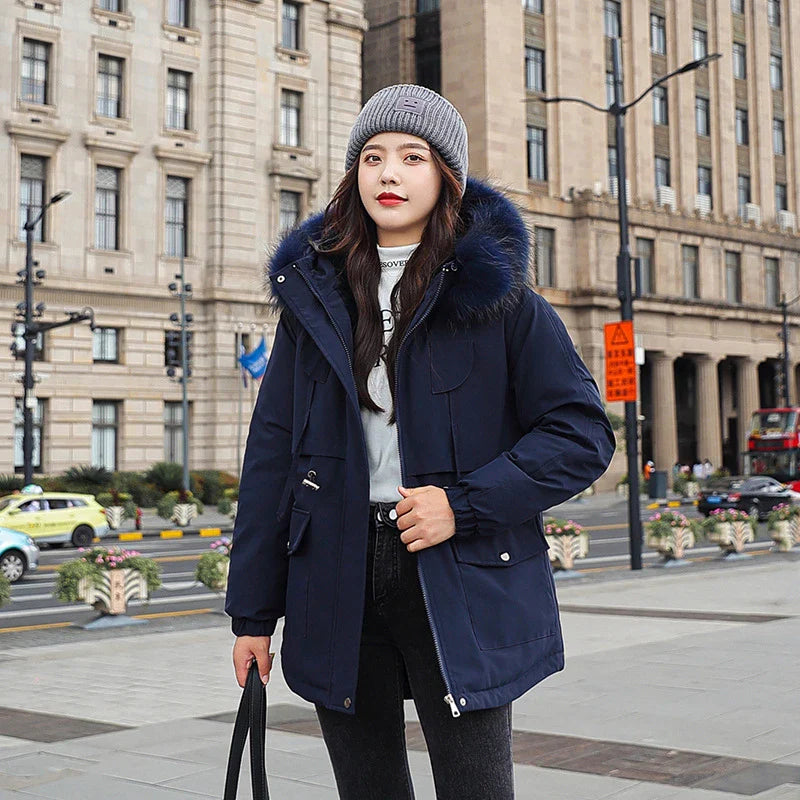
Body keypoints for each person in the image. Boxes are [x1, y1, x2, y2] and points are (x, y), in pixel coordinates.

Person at [225, 83, 615, 800]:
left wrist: (461, 505)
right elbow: (272, 460)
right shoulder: (314, 305)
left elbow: (583, 434)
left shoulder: (504, 304)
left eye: (412, 157)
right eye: (372, 157)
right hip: (334, 575)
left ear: (447, 179)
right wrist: (251, 617)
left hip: (457, 570)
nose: (390, 174)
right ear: (353, 176)